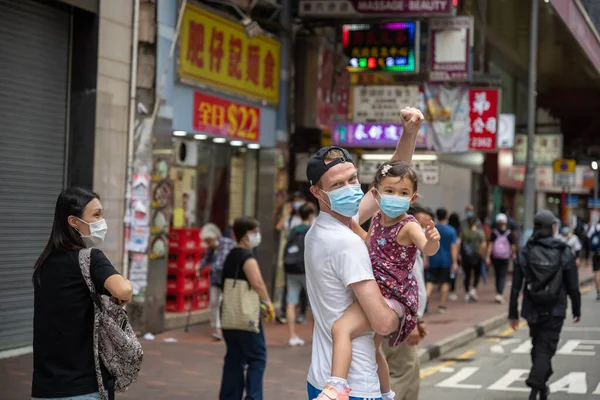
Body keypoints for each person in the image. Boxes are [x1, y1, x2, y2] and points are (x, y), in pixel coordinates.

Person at [304, 107, 424, 400]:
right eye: (337, 185)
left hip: (321, 378)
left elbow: (391, 180)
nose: (350, 189)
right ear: (317, 193)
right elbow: (382, 321)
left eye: (353, 179)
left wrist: (409, 134)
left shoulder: (325, 228)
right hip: (355, 386)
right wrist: (405, 314)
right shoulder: (347, 242)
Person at [316, 161, 440, 400]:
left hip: (392, 296)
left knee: (341, 328)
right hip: (377, 291)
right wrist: (350, 224)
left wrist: (432, 239)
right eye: (390, 191)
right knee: (373, 350)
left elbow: (428, 249)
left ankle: (337, 386)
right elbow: (370, 244)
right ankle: (387, 394)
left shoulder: (409, 225)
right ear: (375, 194)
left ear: (412, 198)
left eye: (403, 193)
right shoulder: (376, 219)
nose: (396, 197)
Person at [32, 187, 133, 400]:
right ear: (73, 221)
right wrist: (126, 289)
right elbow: (123, 289)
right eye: (96, 215)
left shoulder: (44, 263)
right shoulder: (90, 258)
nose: (102, 221)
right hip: (84, 387)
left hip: (45, 388)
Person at [509, 210, 581, 400]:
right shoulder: (564, 251)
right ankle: (536, 382)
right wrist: (576, 308)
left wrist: (513, 314)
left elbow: (516, 287)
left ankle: (540, 388)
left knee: (538, 345)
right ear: (552, 228)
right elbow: (573, 285)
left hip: (532, 308)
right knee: (546, 348)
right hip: (555, 309)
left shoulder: (526, 251)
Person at [219, 217, 275, 400]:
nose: (257, 236)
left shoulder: (230, 255)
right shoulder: (247, 257)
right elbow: (257, 283)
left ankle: (229, 396)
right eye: (254, 232)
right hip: (246, 317)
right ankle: (254, 397)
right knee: (257, 357)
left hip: (229, 315)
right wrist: (267, 303)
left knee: (234, 358)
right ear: (244, 235)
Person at [382, 205, 430, 400]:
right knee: (404, 374)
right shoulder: (403, 251)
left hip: (394, 317)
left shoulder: (388, 242)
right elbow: (408, 288)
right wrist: (413, 322)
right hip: (400, 320)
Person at [283, 204, 316, 346]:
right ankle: (316, 337)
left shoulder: (293, 230)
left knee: (291, 301)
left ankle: (292, 336)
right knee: (314, 304)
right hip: (306, 270)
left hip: (291, 268)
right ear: (310, 216)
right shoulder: (312, 230)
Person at [276, 191, 309, 324]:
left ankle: (301, 313)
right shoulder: (290, 219)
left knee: (301, 291)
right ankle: (284, 312)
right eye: (295, 200)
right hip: (291, 258)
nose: (296, 203)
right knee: (289, 289)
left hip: (303, 258)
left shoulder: (309, 220)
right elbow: (278, 226)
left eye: (299, 200)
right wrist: (286, 214)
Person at [199, 223, 236, 341]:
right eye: (206, 241)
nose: (208, 243)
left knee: (223, 303)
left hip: (227, 278)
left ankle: (224, 328)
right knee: (214, 302)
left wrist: (210, 266)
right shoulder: (211, 247)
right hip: (215, 279)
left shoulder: (227, 244)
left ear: (216, 237)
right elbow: (206, 259)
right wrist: (199, 266)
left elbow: (221, 263)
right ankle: (216, 327)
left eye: (209, 240)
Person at [425, 208, 458, 313]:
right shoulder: (451, 230)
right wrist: (455, 262)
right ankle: (441, 305)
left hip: (433, 258)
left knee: (430, 282)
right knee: (445, 282)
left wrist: (426, 259)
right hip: (446, 260)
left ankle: (424, 303)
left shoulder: (433, 229)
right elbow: (453, 248)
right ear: (446, 216)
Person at [487, 213, 517, 304]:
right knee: (502, 275)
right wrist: (513, 254)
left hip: (495, 257)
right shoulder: (509, 233)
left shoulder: (494, 233)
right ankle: (500, 293)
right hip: (505, 257)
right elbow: (513, 246)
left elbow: (490, 245)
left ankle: (498, 292)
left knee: (497, 275)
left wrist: (487, 256)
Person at [459, 215, 486, 302]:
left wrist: (459, 254)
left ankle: (467, 292)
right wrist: (483, 255)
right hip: (477, 255)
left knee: (467, 275)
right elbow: (483, 244)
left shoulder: (464, 232)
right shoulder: (480, 232)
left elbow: (459, 242)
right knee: (477, 273)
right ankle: (474, 289)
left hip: (466, 256)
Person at [447, 212, 461, 301]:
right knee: (452, 274)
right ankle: (451, 290)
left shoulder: (444, 228)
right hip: (453, 255)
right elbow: (456, 244)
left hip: (443, 255)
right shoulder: (455, 231)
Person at [587, 220, 600, 300]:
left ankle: (598, 292)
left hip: (595, 253)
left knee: (597, 273)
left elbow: (588, 237)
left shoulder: (593, 228)